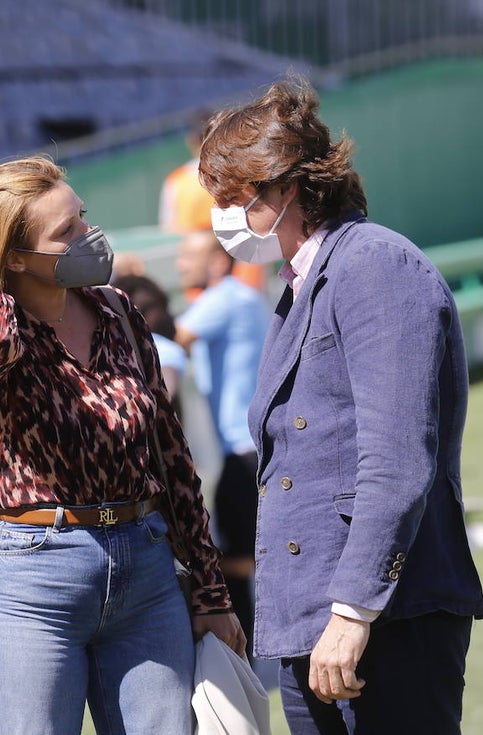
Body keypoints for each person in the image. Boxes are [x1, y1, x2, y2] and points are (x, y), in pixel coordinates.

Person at [0, 156, 243, 735]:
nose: (89, 235)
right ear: (14, 256)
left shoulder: (118, 312)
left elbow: (172, 456)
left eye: (82, 216)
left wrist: (211, 591)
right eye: (67, 231)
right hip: (36, 576)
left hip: (145, 565)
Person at [197, 79, 483, 734]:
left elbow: (396, 462)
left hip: (383, 619)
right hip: (309, 620)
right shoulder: (303, 281)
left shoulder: (376, 266)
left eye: (230, 198)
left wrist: (354, 611)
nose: (221, 217)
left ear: (282, 188)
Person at [174, 229, 270, 656]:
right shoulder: (244, 298)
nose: (180, 265)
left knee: (235, 558)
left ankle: (242, 652)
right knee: (243, 551)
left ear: (217, 261)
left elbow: (167, 340)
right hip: (251, 445)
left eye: (188, 257)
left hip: (242, 449)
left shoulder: (223, 299)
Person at [159, 109, 266, 294]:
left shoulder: (177, 181)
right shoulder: (239, 173)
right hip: (242, 272)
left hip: (204, 277)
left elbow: (170, 230)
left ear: (191, 141)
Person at [112, 272, 186, 400]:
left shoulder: (108, 350)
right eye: (163, 306)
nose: (167, 316)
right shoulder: (163, 347)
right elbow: (164, 397)